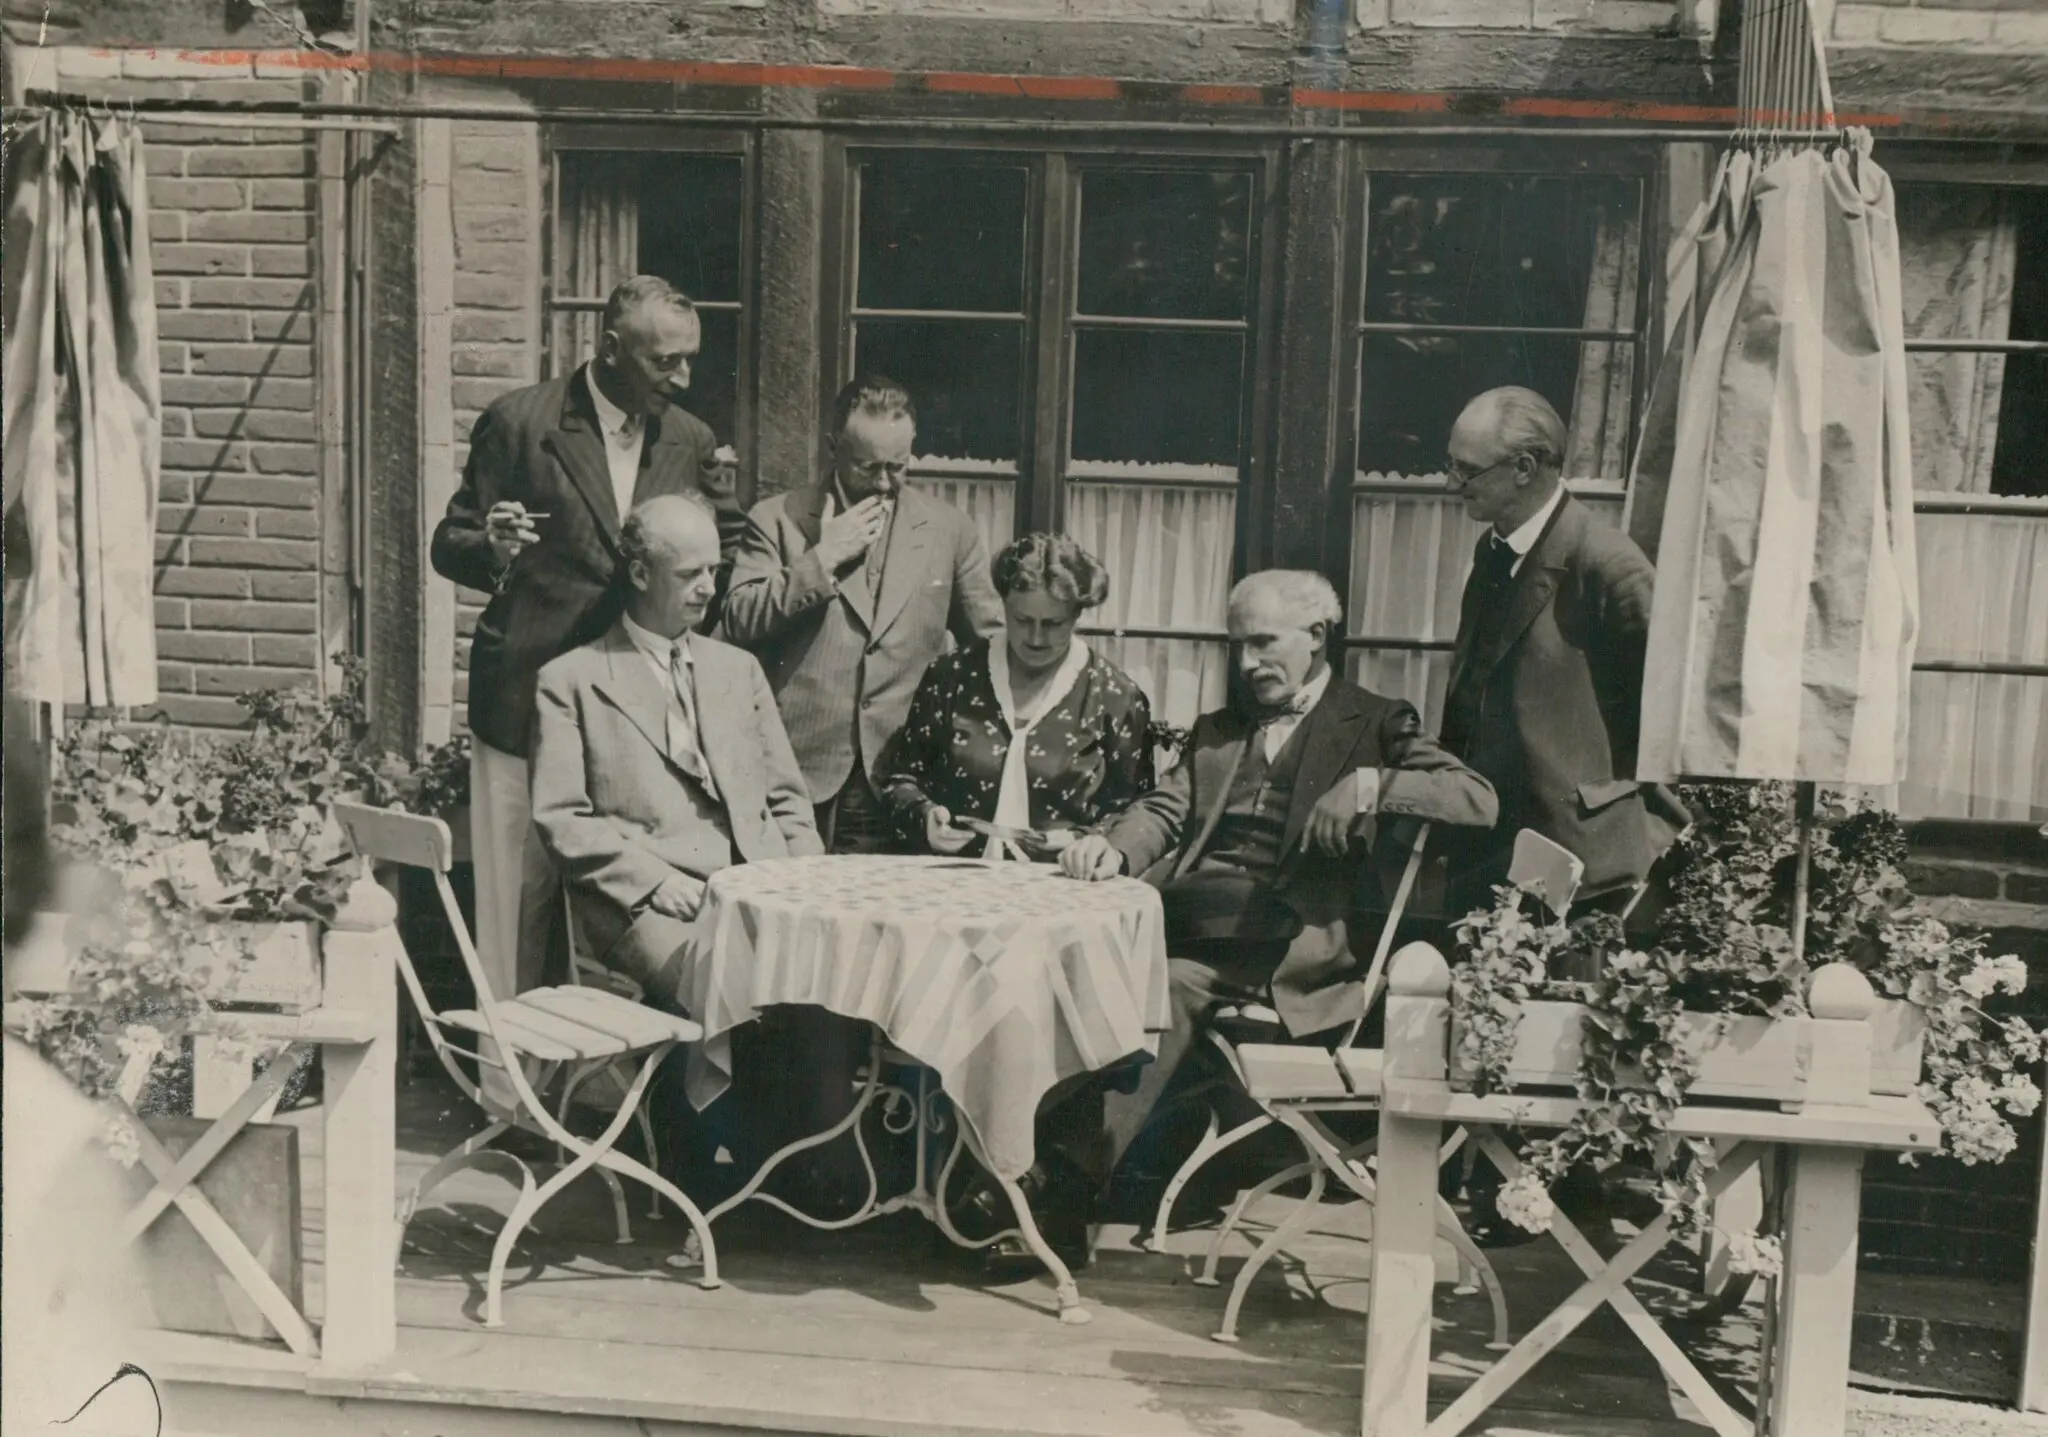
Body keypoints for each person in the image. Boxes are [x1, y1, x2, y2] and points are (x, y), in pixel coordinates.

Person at [1056, 570, 1499, 1247]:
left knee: (1161, 990)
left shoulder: (1375, 722)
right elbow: (1165, 806)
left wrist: (1372, 784)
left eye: (1263, 643)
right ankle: (1021, 1165)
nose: (1246, 663)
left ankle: (1059, 1196)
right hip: (1194, 925)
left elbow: (1476, 798)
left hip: (1293, 951)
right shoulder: (1221, 728)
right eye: (1237, 646)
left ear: (1317, 636)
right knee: (1082, 966)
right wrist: (1114, 849)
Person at [430, 275, 738, 1006]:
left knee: (623, 908)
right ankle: (512, 1100)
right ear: (609, 350)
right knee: (516, 908)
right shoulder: (521, 422)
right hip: (525, 704)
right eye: (666, 362)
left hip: (631, 721)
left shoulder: (688, 438)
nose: (684, 378)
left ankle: (596, 1092)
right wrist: (495, 548)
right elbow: (450, 541)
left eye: (689, 359)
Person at [529, 494, 822, 1192]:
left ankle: (788, 1171)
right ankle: (701, 1177)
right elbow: (561, 817)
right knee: (725, 976)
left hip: (753, 887)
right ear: (637, 572)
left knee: (825, 974)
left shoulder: (735, 670)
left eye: (714, 572)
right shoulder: (571, 680)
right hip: (644, 904)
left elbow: (786, 796)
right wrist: (656, 880)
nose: (708, 588)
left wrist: (806, 883)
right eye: (689, 573)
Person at [720, 375, 1004, 855]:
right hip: (796, 775)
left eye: (898, 467)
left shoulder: (949, 530)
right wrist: (821, 560)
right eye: (868, 467)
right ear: (833, 448)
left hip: (903, 780)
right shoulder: (776, 519)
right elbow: (738, 618)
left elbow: (990, 646)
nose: (883, 483)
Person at [1436, 386, 1684, 920]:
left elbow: (1670, 718)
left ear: (1524, 467)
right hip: (1492, 854)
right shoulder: (1493, 549)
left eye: (1466, 470)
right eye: (1450, 465)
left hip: (1585, 869)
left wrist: (1642, 836)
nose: (1451, 483)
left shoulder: (1607, 565)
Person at [878, 532, 1152, 860]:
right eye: (1022, 620)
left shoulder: (1114, 696)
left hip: (1066, 887)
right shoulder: (952, 676)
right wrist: (926, 819)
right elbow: (901, 781)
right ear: (1004, 606)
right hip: (955, 886)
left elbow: (1136, 812)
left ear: (1076, 617)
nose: (1036, 638)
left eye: (1053, 624)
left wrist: (1082, 840)